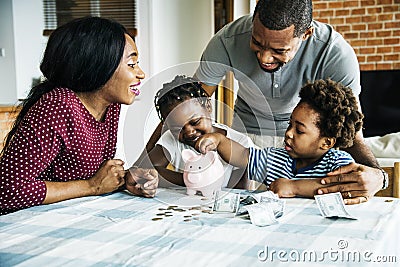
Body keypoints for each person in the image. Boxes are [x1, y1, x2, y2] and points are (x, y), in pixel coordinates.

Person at [189, 0, 386, 204]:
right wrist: (153, 158)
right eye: (257, 42)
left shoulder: (335, 54)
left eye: (279, 50)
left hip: (308, 140)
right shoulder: (227, 40)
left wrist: (379, 176)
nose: (265, 57)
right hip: (245, 134)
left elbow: (350, 133)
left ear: (306, 34)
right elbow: (188, 105)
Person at [0, 17, 158, 215]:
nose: (141, 74)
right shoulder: (57, 105)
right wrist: (92, 186)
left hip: (72, 215)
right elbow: (7, 191)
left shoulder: (110, 106)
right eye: (132, 64)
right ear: (99, 65)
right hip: (24, 224)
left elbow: (88, 176)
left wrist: (124, 179)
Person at [196, 79, 366, 203]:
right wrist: (219, 140)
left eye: (299, 130)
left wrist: (294, 187)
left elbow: (346, 187)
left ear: (326, 143)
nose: (289, 133)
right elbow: (242, 155)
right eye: (289, 124)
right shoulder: (276, 158)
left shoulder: (338, 163)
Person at [135, 75, 254, 189]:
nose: (189, 132)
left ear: (208, 107)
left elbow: (238, 193)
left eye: (195, 122)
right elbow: (145, 170)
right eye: (177, 129)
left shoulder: (241, 143)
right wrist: (190, 179)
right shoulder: (172, 139)